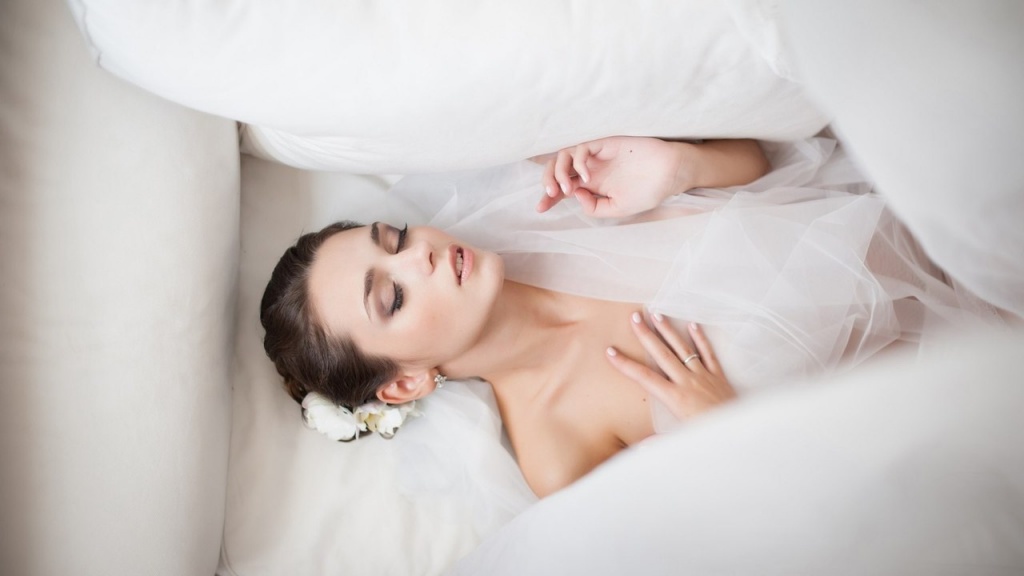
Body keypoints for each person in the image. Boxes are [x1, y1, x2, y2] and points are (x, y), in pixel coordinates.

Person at [260, 136, 1007, 500]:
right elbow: (785, 522)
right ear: (403, 385)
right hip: (967, 396)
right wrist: (723, 429)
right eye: (391, 298)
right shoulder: (560, 455)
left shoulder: (543, 198)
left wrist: (681, 168)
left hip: (951, 204)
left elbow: (779, 169)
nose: (419, 255)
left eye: (394, 240)